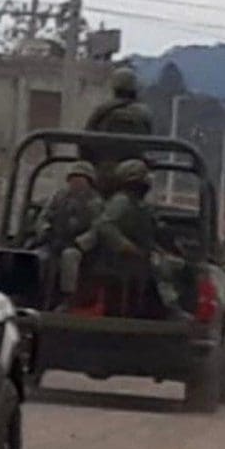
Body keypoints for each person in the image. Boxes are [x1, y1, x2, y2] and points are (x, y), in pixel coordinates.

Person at [93, 159, 193, 321]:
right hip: (121, 258)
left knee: (181, 266)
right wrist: (125, 246)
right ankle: (170, 307)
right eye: (143, 177)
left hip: (141, 252)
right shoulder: (122, 201)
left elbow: (148, 233)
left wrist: (163, 247)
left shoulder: (139, 204)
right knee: (160, 267)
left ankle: (174, 306)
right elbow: (104, 225)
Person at [31, 161, 103, 311]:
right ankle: (33, 295)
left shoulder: (95, 202)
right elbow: (43, 217)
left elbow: (97, 228)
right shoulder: (59, 197)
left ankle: (67, 298)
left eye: (81, 178)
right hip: (53, 240)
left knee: (69, 258)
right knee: (37, 257)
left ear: (89, 182)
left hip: (79, 247)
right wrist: (46, 230)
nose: (76, 182)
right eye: (73, 178)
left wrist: (80, 243)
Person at [82, 67, 154, 196]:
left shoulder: (101, 111)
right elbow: (148, 143)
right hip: (134, 177)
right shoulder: (144, 114)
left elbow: (85, 142)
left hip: (104, 176)